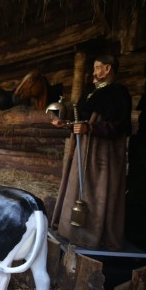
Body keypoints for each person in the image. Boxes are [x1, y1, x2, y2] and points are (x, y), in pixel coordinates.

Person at [50, 54, 132, 251]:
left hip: (102, 153)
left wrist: (90, 129)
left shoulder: (118, 93)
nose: (94, 73)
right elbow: (83, 121)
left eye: (97, 68)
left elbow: (117, 126)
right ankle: (72, 232)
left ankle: (92, 236)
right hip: (85, 148)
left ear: (108, 68)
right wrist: (67, 124)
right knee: (78, 189)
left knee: (97, 191)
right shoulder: (92, 93)